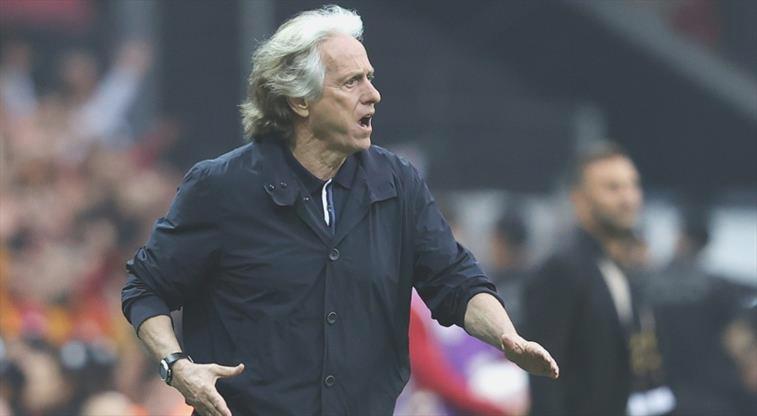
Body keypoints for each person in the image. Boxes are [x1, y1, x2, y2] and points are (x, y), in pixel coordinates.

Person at [121, 5, 558, 416]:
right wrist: (176, 366)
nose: (374, 95)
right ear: (300, 100)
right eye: (351, 82)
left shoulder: (398, 184)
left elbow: (456, 281)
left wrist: (506, 336)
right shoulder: (221, 186)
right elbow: (145, 287)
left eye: (370, 78)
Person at [524, 142, 642, 416]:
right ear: (579, 199)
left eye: (632, 185)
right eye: (613, 188)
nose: (629, 198)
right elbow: (544, 379)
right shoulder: (561, 270)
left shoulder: (618, 268)